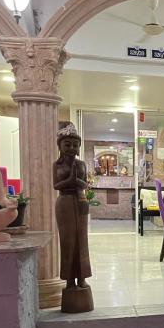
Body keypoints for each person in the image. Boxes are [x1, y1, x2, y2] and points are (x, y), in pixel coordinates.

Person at [53, 123, 92, 289]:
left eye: (75, 145)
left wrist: (78, 182)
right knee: (67, 241)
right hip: (64, 202)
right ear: (60, 146)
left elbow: (85, 184)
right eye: (67, 144)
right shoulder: (57, 165)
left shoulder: (81, 164)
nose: (71, 148)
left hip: (80, 200)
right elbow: (56, 185)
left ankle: (82, 277)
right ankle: (69, 280)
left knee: (82, 241)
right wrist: (71, 180)